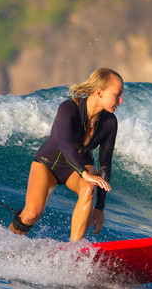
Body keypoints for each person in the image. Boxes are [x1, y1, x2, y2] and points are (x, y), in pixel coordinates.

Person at [9, 68, 124, 241]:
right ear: (99, 92)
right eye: (117, 94)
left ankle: (74, 250)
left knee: (88, 187)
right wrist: (84, 173)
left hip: (78, 166)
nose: (121, 101)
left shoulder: (110, 122)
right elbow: (64, 143)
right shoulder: (69, 108)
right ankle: (7, 243)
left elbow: (105, 163)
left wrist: (99, 208)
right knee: (31, 214)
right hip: (48, 164)